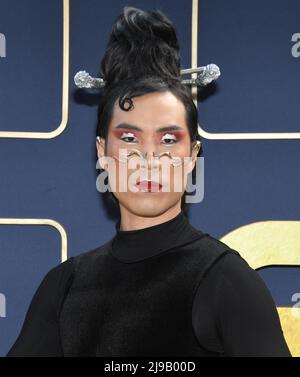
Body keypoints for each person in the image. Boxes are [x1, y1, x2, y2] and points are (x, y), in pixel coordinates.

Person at [7, 6, 291, 357]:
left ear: (192, 156)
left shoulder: (227, 282)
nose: (149, 159)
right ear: (102, 152)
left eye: (168, 140)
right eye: (129, 139)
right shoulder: (64, 287)